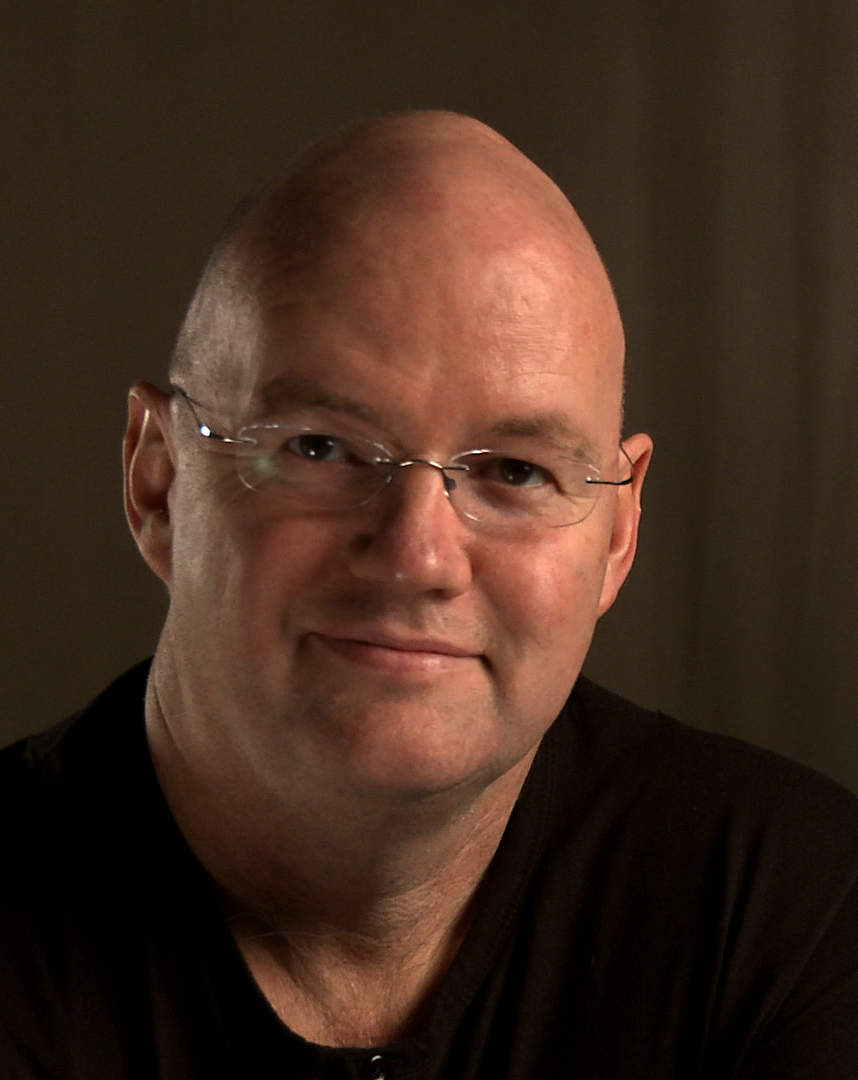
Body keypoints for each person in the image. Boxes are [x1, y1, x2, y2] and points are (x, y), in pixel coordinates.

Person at [2, 111, 857, 1079]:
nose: (418, 556)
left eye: (517, 471)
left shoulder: (791, 917)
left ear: (617, 535)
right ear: (159, 482)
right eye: (320, 448)